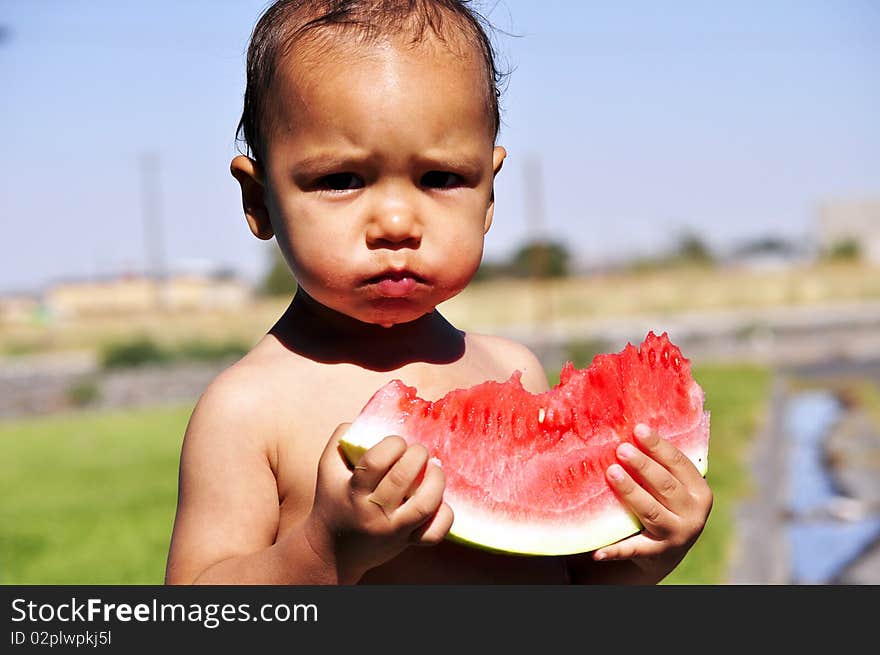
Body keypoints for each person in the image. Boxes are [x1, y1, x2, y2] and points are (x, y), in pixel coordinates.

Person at [164, 0, 713, 585]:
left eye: (441, 178)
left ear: (490, 194)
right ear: (258, 200)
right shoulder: (247, 409)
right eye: (341, 180)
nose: (397, 222)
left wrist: (645, 556)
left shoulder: (512, 368)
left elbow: (562, 584)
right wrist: (324, 552)